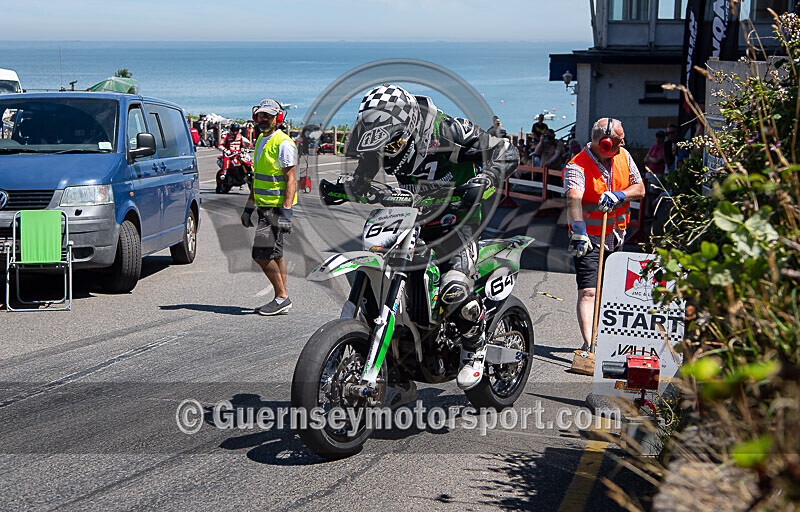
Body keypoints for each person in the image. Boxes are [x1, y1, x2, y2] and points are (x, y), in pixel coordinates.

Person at [343, 84, 519, 390]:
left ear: (410, 124)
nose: (388, 149)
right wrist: (354, 184)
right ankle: (393, 371)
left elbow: (506, 150)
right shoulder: (379, 136)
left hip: (459, 220)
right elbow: (368, 165)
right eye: (381, 142)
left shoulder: (448, 129)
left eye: (393, 140)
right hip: (411, 216)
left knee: (453, 288)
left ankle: (475, 345)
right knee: (375, 269)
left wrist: (486, 178)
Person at [563, 118, 645, 352]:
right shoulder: (576, 166)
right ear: (605, 143)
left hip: (616, 236)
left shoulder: (624, 157)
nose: (624, 143)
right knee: (589, 290)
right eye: (620, 141)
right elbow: (573, 199)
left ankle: (606, 338)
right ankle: (590, 346)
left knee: (610, 291)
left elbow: (639, 189)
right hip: (588, 239)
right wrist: (578, 230)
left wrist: (620, 194)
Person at [241, 99, 299, 316]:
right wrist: (248, 208)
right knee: (275, 255)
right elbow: (259, 179)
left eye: (269, 116)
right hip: (263, 207)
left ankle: (282, 297)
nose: (264, 119)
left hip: (275, 210)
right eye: (261, 115)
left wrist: (286, 212)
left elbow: (291, 179)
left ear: (279, 118)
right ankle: (281, 297)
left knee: (261, 255)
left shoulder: (283, 144)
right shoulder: (261, 141)